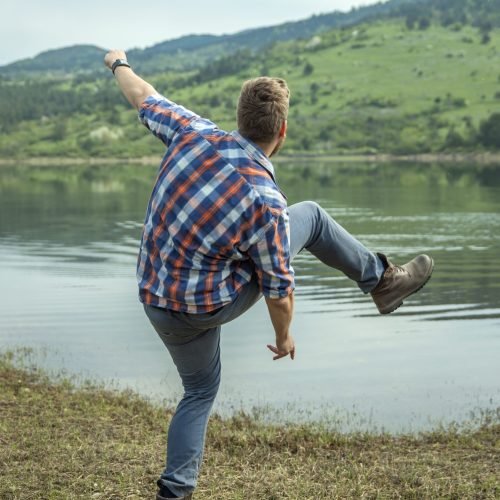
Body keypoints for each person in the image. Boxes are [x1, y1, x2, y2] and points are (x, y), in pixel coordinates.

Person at [104, 49, 434, 500]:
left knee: (199, 390)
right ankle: (383, 282)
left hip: (156, 297)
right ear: (282, 131)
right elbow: (279, 292)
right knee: (312, 217)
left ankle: (174, 493)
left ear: (239, 118)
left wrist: (119, 63)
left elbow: (141, 95)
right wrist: (284, 338)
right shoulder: (265, 200)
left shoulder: (190, 131)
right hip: (208, 305)